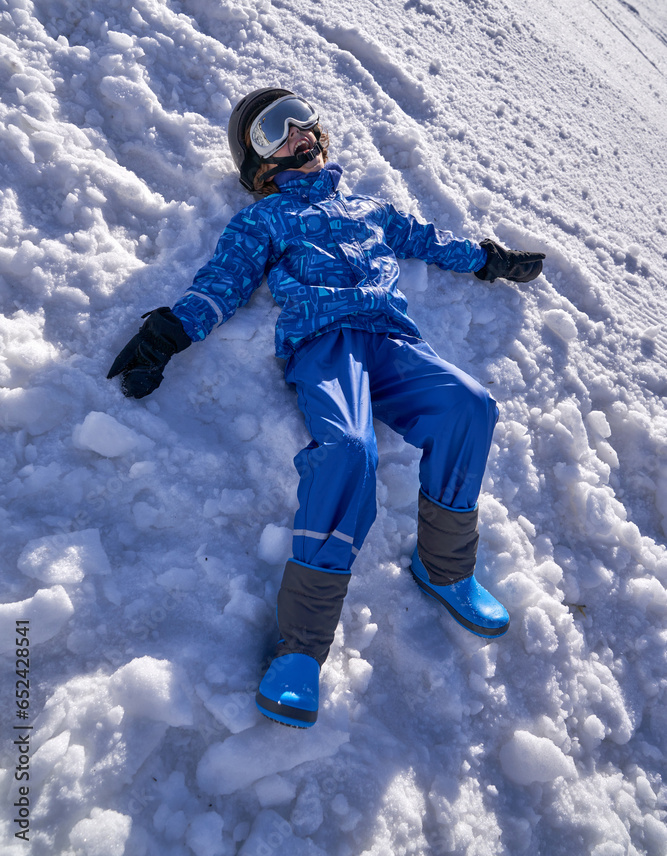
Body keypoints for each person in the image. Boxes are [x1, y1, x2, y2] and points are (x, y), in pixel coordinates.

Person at [108, 88, 545, 729]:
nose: (296, 132)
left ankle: (445, 568)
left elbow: (427, 239)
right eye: (271, 131)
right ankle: (300, 652)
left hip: (393, 342)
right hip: (326, 345)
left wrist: (488, 260)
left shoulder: (368, 207)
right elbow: (222, 283)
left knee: (470, 407)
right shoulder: (264, 221)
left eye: (299, 117)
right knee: (347, 453)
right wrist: (171, 331)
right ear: (257, 163)